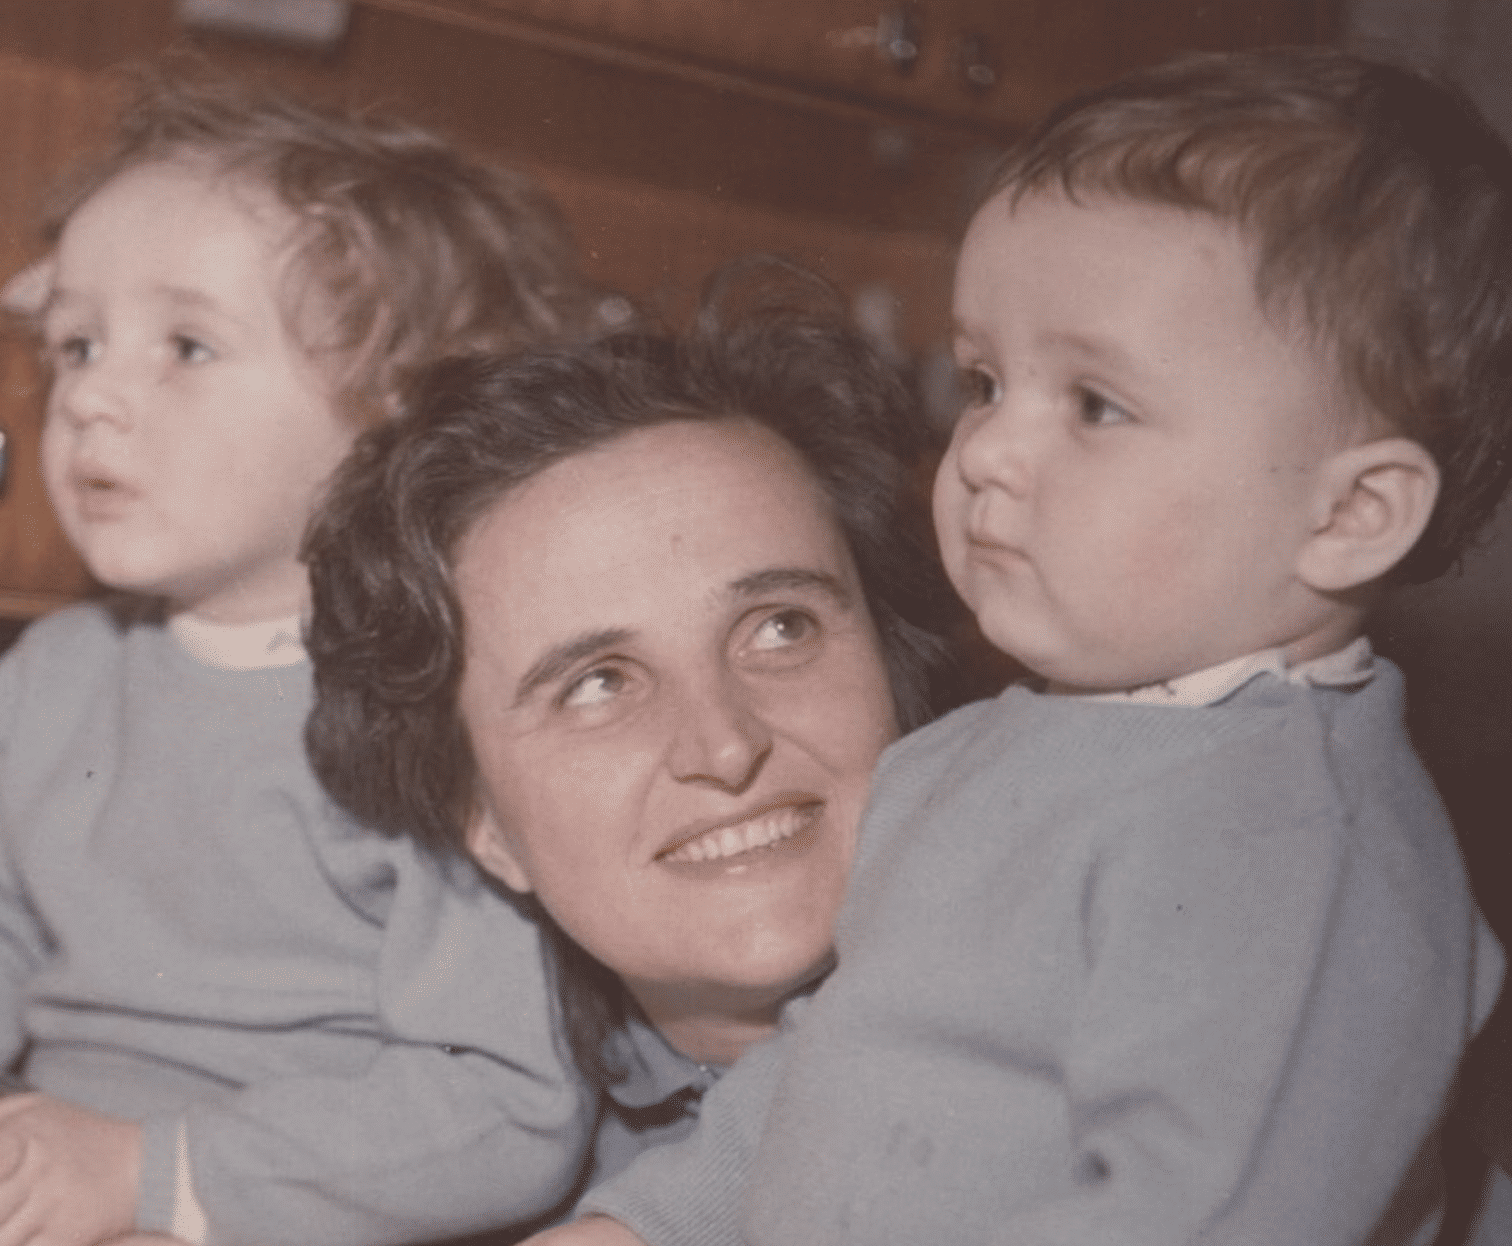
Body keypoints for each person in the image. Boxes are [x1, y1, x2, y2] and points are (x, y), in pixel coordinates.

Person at [546, 46, 1512, 1246]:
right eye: (985, 383)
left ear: (1348, 513)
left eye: (1094, 404)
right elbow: (838, 1072)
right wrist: (639, 1226)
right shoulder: (964, 758)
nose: (989, 451)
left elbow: (1217, 1214)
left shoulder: (1296, 837)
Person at [0, 65, 607, 1246]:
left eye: (187, 347)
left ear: (400, 413)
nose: (90, 398)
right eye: (76, 345)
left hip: (287, 1206)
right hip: (39, 1179)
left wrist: (147, 1172)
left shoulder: (436, 705)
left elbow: (506, 1107)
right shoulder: (55, 675)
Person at [301, 267, 967, 1202]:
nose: (725, 746)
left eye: (780, 627)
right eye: (599, 684)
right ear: (481, 819)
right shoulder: (431, 1173)